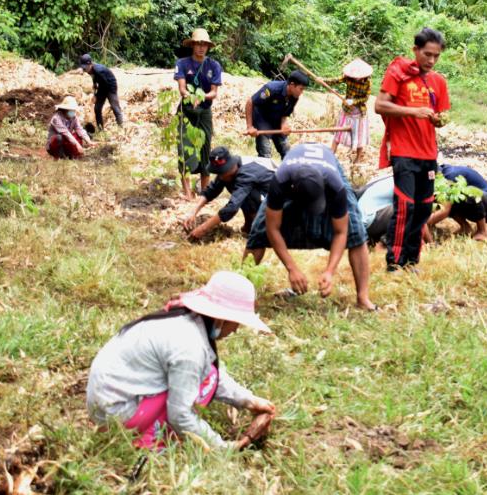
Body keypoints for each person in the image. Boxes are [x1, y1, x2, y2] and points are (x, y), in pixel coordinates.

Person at [86, 271, 275, 450]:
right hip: (117, 413)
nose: (235, 330)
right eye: (237, 323)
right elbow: (180, 415)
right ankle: (146, 438)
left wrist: (249, 401)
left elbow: (209, 373)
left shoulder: (185, 322)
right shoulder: (189, 347)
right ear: (222, 319)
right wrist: (221, 447)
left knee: (205, 378)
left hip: (108, 401)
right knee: (196, 391)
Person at [243, 143, 375, 311]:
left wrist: (329, 271)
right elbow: (272, 228)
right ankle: (241, 294)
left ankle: (363, 298)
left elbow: (341, 232)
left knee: (356, 231)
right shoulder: (280, 181)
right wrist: (292, 269)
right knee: (258, 232)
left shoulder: (334, 184)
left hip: (328, 168)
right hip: (293, 173)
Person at [375, 27, 451, 272]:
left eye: (436, 56)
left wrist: (437, 120)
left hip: (428, 153)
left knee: (424, 208)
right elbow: (380, 106)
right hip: (403, 151)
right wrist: (412, 111)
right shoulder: (398, 72)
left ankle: (411, 260)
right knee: (405, 206)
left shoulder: (438, 82)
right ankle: (394, 261)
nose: (431, 60)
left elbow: (440, 114)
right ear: (415, 50)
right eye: (427, 54)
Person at [182, 147, 276, 241]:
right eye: (218, 172)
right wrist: (193, 212)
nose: (220, 176)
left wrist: (203, 229)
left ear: (231, 165)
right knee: (237, 188)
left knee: (247, 194)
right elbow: (212, 190)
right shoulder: (228, 172)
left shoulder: (246, 174)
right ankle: (251, 225)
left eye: (222, 171)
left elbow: (232, 208)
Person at [174, 28, 223, 199]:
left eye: (205, 45)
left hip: (204, 111)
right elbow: (182, 89)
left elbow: (213, 92)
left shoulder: (214, 66)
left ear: (208, 47)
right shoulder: (182, 63)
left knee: (205, 146)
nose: (201, 48)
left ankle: (204, 190)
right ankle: (187, 192)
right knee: (184, 147)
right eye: (198, 44)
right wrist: (191, 96)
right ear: (193, 45)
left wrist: (200, 96)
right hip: (186, 110)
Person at [426, 164, 487, 242]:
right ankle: (465, 227)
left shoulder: (450, 176)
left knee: (463, 193)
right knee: (445, 197)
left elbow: (445, 210)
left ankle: (482, 231)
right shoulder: (436, 176)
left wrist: (421, 224)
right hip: (476, 207)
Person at [245, 71, 310, 160]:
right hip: (262, 119)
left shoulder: (295, 97)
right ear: (292, 85)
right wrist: (249, 127)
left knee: (287, 153)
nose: (302, 92)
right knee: (265, 153)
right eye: (301, 89)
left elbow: (285, 113)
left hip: (276, 121)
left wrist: (284, 124)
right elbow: (250, 102)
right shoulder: (271, 89)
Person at [323, 58, 373, 164]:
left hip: (359, 112)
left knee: (360, 136)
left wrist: (354, 101)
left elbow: (366, 98)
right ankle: (331, 154)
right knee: (338, 133)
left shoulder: (367, 83)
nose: (357, 78)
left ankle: (358, 158)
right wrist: (322, 80)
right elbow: (336, 80)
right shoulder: (348, 78)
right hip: (346, 111)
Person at [79, 53, 122, 129]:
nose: (85, 70)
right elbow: (94, 79)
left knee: (114, 106)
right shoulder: (89, 70)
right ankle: (100, 129)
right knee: (97, 108)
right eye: (84, 67)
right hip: (102, 85)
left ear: (90, 64)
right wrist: (95, 90)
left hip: (110, 85)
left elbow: (104, 84)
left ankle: (121, 126)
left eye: (86, 67)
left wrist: (97, 95)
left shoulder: (99, 70)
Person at [355, 174, 395, 247]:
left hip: (359, 220)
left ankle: (374, 240)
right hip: (367, 222)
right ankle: (385, 242)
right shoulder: (407, 180)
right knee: (412, 207)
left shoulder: (390, 176)